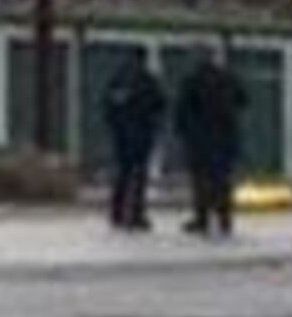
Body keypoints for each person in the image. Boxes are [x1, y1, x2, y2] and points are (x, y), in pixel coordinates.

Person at [174, 49, 248, 239]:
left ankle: (202, 219)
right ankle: (225, 219)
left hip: (200, 141)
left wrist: (183, 133)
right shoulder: (228, 78)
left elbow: (182, 110)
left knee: (201, 181)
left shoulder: (192, 80)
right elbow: (244, 100)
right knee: (223, 181)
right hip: (225, 139)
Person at [101, 50, 167, 234]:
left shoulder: (118, 79)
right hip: (142, 136)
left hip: (122, 136)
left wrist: (115, 127)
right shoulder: (148, 80)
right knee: (138, 177)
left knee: (122, 174)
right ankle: (136, 214)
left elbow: (108, 106)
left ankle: (117, 214)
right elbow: (160, 105)